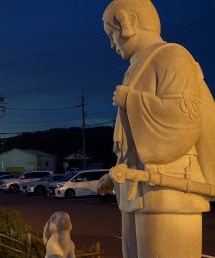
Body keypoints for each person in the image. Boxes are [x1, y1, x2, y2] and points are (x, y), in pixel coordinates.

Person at [98, 0, 215, 257]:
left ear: (128, 23)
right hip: (136, 191)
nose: (112, 43)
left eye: (111, 33)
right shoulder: (136, 68)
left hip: (170, 189)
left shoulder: (172, 55)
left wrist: (131, 100)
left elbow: (184, 120)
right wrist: (113, 175)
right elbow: (133, 144)